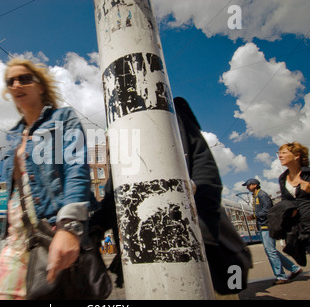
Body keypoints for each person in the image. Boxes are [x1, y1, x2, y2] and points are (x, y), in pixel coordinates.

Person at [90, 97, 252, 295]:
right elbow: (109, 204)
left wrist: (200, 230)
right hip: (146, 261)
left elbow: (205, 170)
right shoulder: (121, 163)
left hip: (201, 247)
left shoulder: (170, 114)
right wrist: (87, 228)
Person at [0, 58, 92, 300]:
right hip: (16, 238)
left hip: (52, 227)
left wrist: (69, 227)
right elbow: (16, 191)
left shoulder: (63, 119)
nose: (16, 85)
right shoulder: (13, 136)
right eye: (10, 82)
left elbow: (76, 168)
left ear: (41, 86)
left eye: (24, 78)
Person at [243, 178, 302, 284]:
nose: (247, 187)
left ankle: (281, 276)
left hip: (267, 226)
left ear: (255, 185)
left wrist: (254, 216)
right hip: (263, 226)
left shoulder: (262, 195)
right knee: (271, 251)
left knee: (271, 251)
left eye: (249, 185)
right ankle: (294, 269)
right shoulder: (256, 195)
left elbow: (268, 210)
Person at [278, 142, 310, 256]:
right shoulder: (282, 178)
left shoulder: (308, 173)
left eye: (284, 153)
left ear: (297, 156)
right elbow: (285, 201)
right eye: (279, 153)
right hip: (300, 229)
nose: (280, 155)